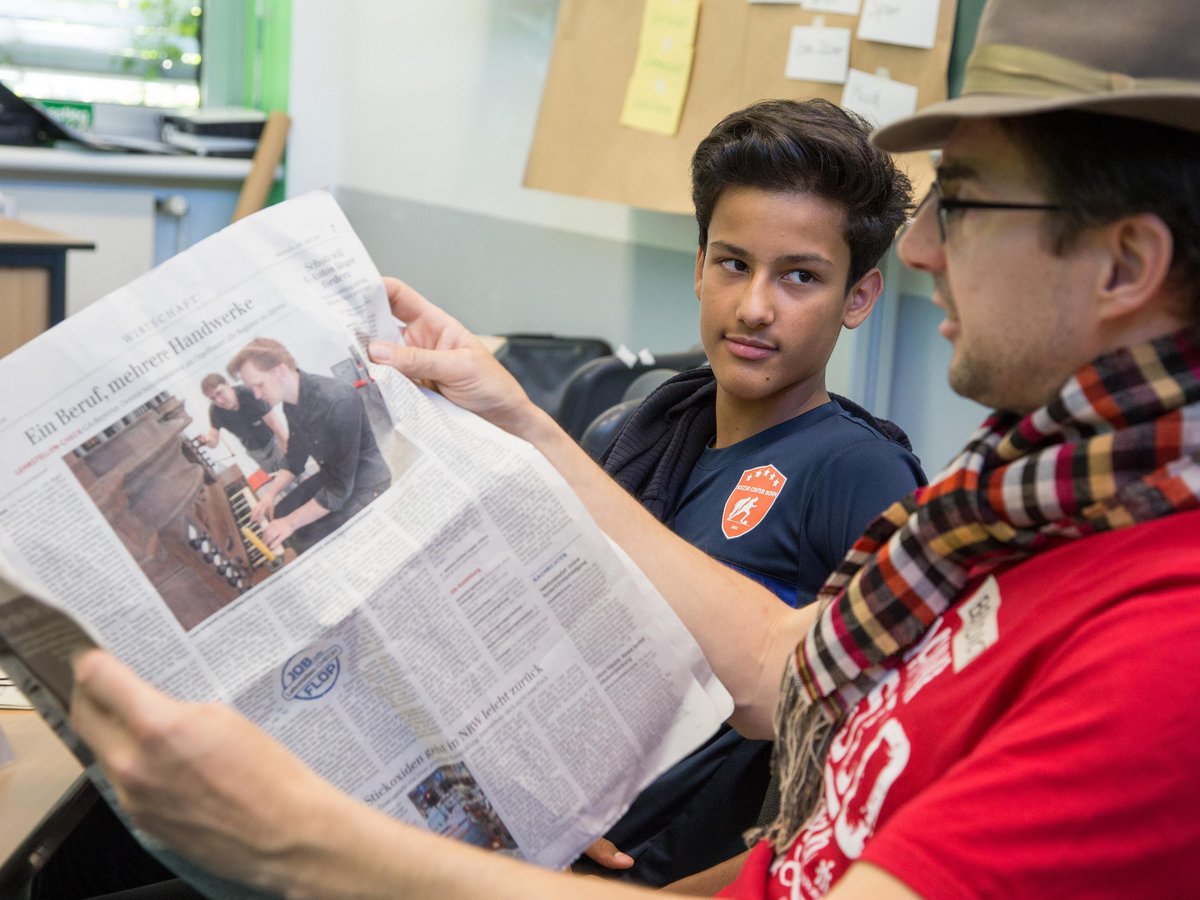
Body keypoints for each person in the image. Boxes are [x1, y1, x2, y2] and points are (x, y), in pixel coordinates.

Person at [67, 0, 1200, 894]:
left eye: (963, 202)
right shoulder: (1028, 508)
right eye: (729, 260)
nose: (922, 254)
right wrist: (515, 413)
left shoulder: (1161, 646)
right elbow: (786, 670)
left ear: (1123, 266)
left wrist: (305, 847)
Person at [580, 97, 926, 886]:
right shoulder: (631, 437)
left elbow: (870, 776)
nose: (755, 307)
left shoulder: (858, 474)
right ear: (699, 264)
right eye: (734, 263)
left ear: (859, 298)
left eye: (800, 276)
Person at [228, 337, 393, 555]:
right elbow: (295, 459)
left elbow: (338, 490)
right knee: (278, 512)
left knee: (304, 544)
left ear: (279, 371)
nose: (257, 395)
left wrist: (290, 523)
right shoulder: (290, 405)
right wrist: (269, 495)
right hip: (333, 476)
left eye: (259, 385)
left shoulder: (338, 401)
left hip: (366, 483)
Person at [197, 372, 289, 473]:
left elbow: (277, 426)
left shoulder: (250, 394)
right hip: (255, 452)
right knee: (282, 482)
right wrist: (208, 440)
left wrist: (289, 453)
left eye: (219, 393)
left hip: (274, 442)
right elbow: (213, 440)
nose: (218, 401)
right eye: (213, 398)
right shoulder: (215, 411)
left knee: (295, 473)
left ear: (228, 385)